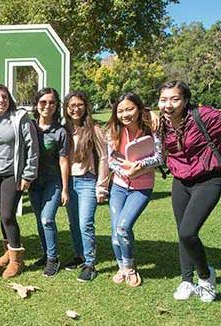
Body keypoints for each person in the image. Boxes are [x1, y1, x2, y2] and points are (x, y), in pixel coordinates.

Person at [157, 80, 220, 302]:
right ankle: (186, 280)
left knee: (187, 232)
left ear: (185, 101)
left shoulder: (205, 116)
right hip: (180, 180)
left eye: (175, 99)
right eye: (164, 99)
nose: (168, 104)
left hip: (209, 180)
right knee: (181, 231)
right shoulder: (162, 123)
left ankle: (206, 276)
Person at [0, 84, 38, 279]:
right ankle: (7, 251)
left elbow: (32, 146)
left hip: (12, 175)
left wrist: (28, 174)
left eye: (4, 97)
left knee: (7, 215)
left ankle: (16, 259)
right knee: (2, 215)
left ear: (9, 99)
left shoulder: (19, 118)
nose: (1, 101)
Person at [106, 92, 163, 287]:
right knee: (115, 232)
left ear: (139, 109)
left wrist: (141, 165)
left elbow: (160, 157)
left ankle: (130, 267)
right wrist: (124, 169)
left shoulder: (151, 130)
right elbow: (111, 160)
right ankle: (122, 268)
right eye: (120, 111)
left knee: (123, 227)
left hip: (142, 187)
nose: (125, 114)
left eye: (130, 109)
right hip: (119, 187)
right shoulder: (113, 132)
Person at [62, 91, 109, 282]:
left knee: (85, 223)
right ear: (66, 108)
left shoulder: (94, 128)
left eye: (80, 104)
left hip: (87, 181)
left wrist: (102, 185)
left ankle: (90, 263)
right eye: (71, 105)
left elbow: (104, 157)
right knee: (73, 223)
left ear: (86, 106)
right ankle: (79, 256)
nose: (76, 108)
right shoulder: (64, 129)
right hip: (69, 182)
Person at [28, 88, 69, 277]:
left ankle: (53, 259)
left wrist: (65, 189)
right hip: (34, 182)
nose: (47, 106)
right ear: (36, 105)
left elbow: (63, 161)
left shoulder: (60, 132)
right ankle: (45, 254)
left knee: (47, 219)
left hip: (53, 182)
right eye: (43, 102)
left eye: (51, 102)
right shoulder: (30, 128)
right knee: (39, 220)